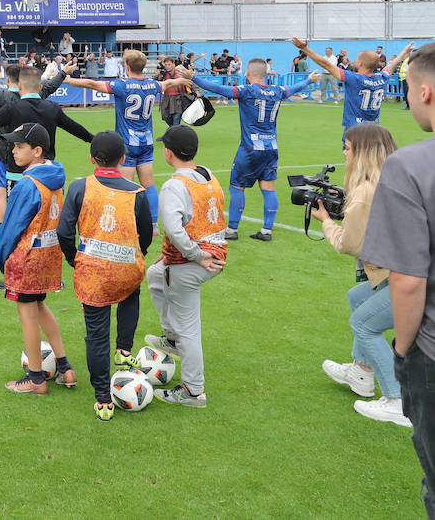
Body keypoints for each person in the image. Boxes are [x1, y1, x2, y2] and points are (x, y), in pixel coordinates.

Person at [361, 41, 435, 515]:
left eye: (405, 89)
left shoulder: (410, 166)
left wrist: (403, 351)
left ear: (425, 92)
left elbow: (407, 280)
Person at [167, 60, 320, 242]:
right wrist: (309, 80)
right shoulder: (278, 91)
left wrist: (193, 77)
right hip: (271, 147)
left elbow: (219, 89)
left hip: (250, 148)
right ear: (265, 74)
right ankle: (266, 231)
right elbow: (294, 88)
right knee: (268, 188)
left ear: (248, 72)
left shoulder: (247, 91)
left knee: (237, 186)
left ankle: (232, 230)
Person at [57, 131, 153, 420]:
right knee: (130, 293)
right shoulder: (137, 192)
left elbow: (64, 231)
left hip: (93, 272)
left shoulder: (79, 187)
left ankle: (103, 399)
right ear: (123, 159)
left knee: (96, 335)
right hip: (126, 268)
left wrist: (73, 257)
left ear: (91, 158)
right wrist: (133, 256)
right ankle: (123, 350)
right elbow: (145, 235)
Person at [315, 124, 407, 426]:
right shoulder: (393, 179)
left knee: (363, 324)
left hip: (409, 276)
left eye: (348, 147)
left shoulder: (366, 191)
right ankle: (362, 371)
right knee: (357, 296)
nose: (344, 152)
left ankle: (397, 400)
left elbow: (349, 244)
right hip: (407, 269)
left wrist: (326, 220)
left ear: (362, 153)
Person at [0, 66, 93, 254]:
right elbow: (76, 128)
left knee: (17, 221)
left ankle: (14, 262)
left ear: (19, 85)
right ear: (39, 87)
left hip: (17, 176)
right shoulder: (52, 108)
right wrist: (96, 141)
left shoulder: (13, 108)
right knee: (46, 222)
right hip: (47, 175)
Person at [144, 125, 227, 408]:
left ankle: (194, 391)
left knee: (189, 329)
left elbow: (174, 229)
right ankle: (171, 337)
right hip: (213, 254)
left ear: (168, 152)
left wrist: (193, 255)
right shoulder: (208, 175)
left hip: (193, 262)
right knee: (155, 275)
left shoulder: (173, 186)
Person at [0, 122, 76, 394]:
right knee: (40, 307)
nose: (14, 151)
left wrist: (1, 256)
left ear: (37, 151)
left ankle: (36, 379)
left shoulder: (27, 185)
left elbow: (11, 226)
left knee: (27, 314)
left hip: (27, 256)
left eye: (20, 146)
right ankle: (65, 368)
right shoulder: (56, 176)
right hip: (48, 254)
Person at [63, 50, 164, 221]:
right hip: (147, 140)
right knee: (149, 184)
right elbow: (170, 83)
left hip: (127, 142)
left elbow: (91, 84)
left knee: (126, 185)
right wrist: (187, 79)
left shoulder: (122, 85)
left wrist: (65, 79)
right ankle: (153, 223)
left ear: (127, 66)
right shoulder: (153, 85)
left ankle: (126, 220)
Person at [292, 38, 413, 145]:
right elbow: (392, 65)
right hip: (374, 131)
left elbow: (326, 65)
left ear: (360, 63)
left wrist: (305, 48)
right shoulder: (381, 78)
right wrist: (403, 52)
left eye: (356, 60)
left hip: (355, 131)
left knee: (354, 166)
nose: (354, 61)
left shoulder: (355, 78)